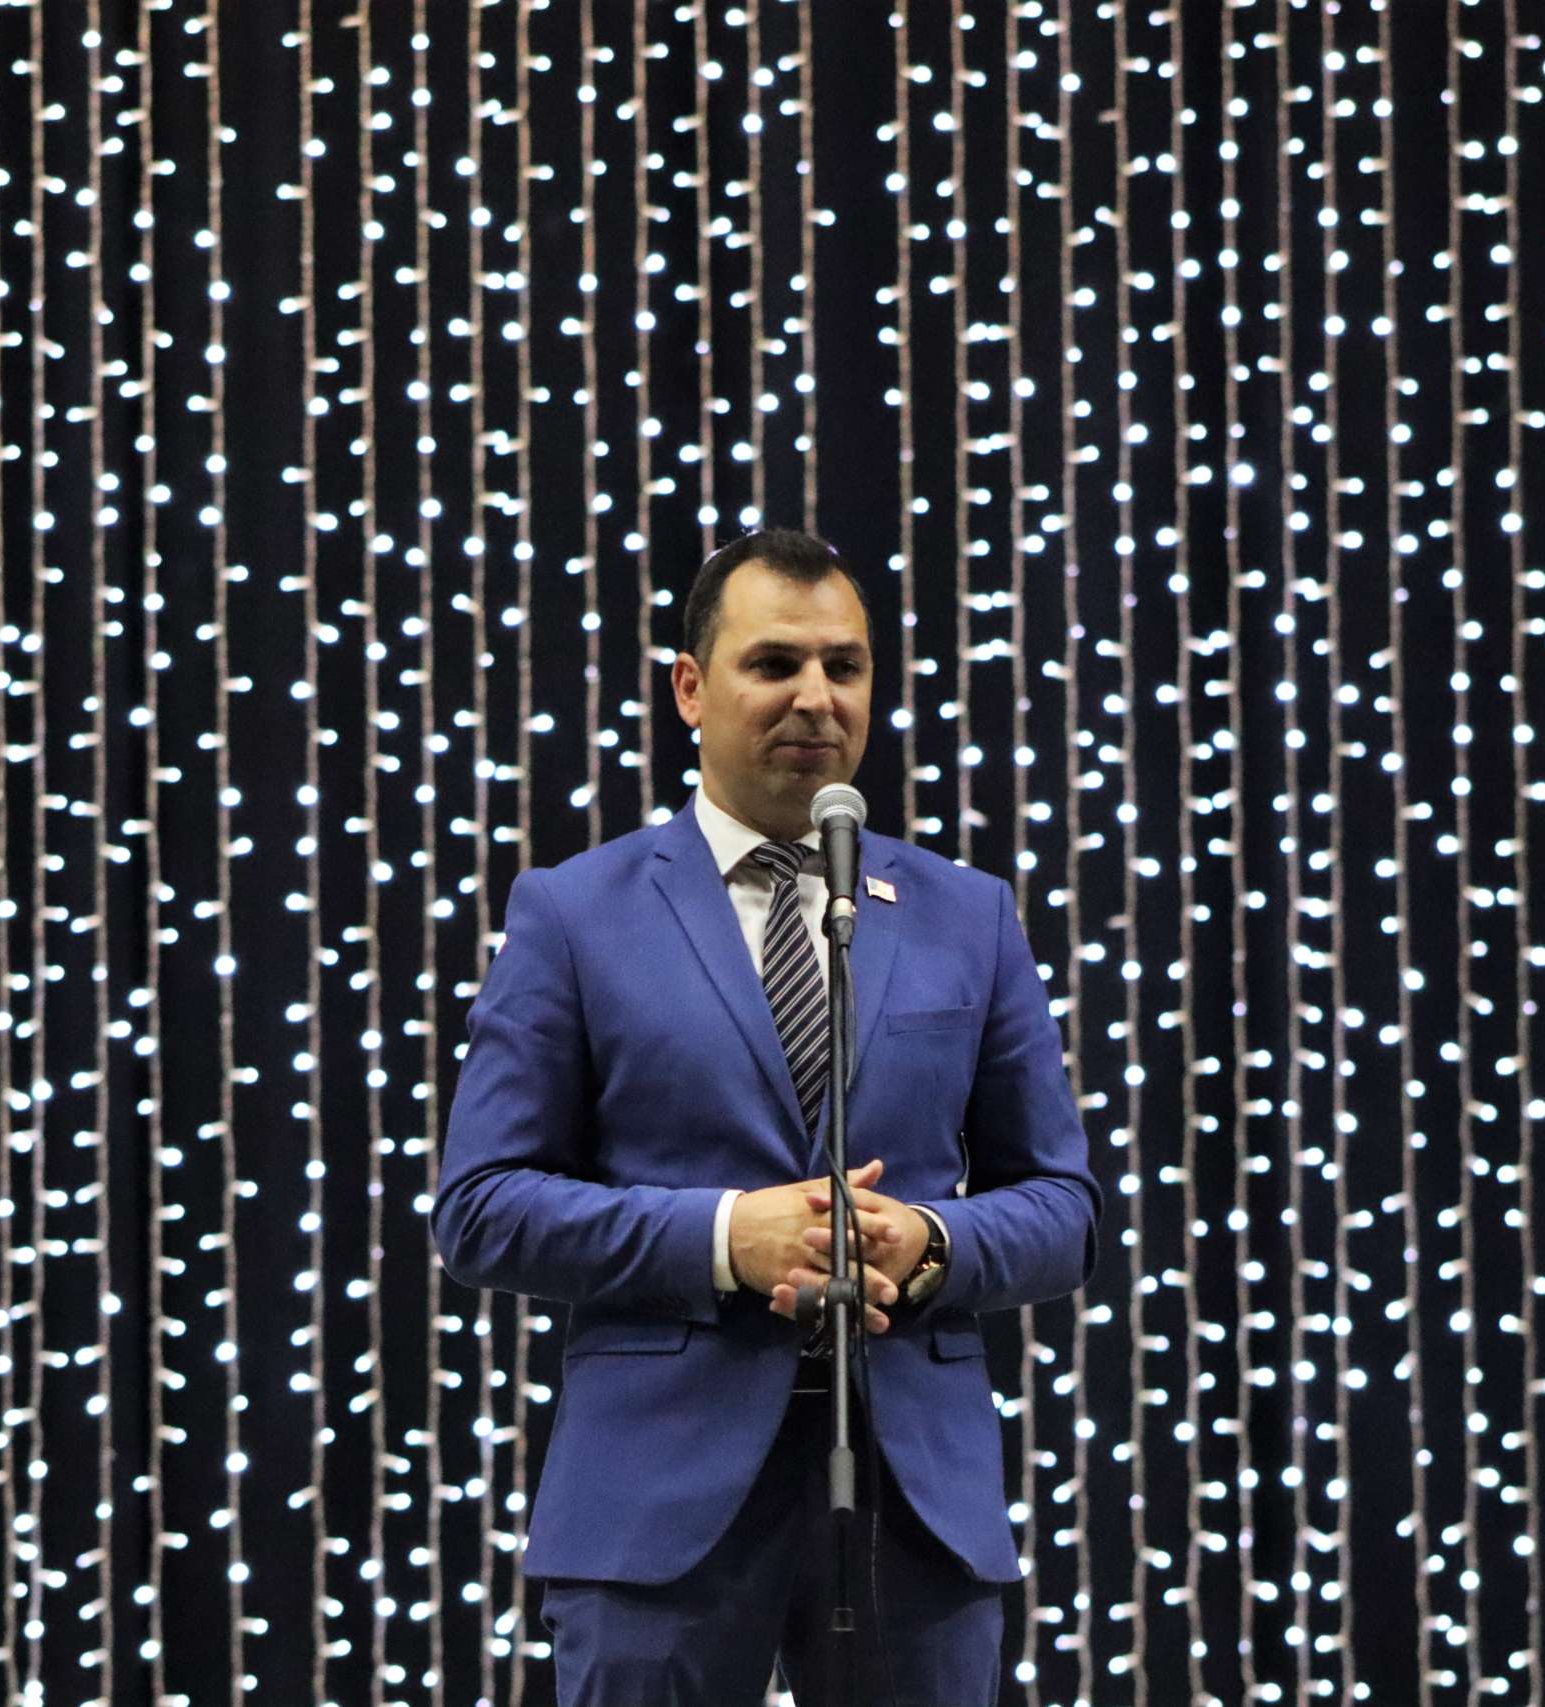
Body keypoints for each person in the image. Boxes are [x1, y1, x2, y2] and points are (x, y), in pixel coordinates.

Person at [432, 528, 1100, 1705]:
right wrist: (723, 1235)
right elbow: (482, 1209)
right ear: (691, 688)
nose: (815, 697)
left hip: (915, 1508)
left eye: (845, 667)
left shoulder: (967, 914)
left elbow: (1064, 1209)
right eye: (774, 664)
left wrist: (929, 1242)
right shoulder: (572, 914)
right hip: (654, 1508)